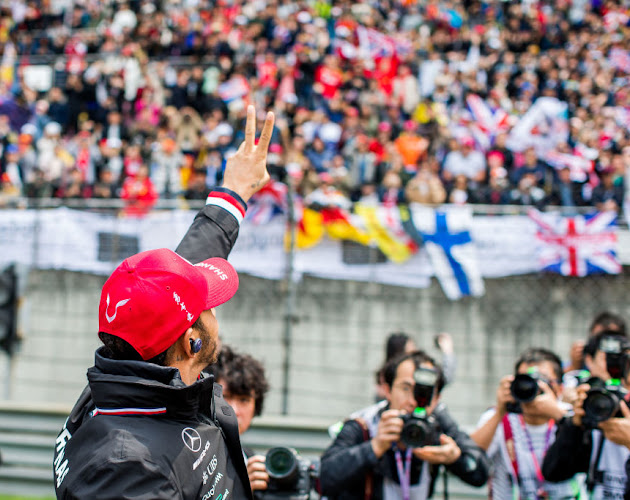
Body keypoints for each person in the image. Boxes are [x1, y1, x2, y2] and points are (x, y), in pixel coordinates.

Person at [54, 105, 275, 499]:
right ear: (189, 341)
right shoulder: (125, 467)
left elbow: (177, 275)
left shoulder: (127, 376)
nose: (213, 310)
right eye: (206, 305)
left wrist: (234, 193)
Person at [321, 351, 491, 500]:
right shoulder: (365, 424)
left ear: (437, 398)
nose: (413, 401)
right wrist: (374, 447)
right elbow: (322, 479)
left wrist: (456, 458)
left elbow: (480, 473)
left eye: (424, 392)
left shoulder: (438, 423)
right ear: (388, 390)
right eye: (406, 388)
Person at [470, 348, 579, 500]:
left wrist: (559, 415)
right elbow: (469, 457)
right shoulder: (498, 418)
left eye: (542, 381)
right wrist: (500, 411)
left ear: (560, 388)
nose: (532, 388)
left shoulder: (572, 417)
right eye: (526, 380)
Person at [543, 330, 630, 499]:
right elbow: (554, 472)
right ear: (590, 362)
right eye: (609, 359)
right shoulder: (595, 408)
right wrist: (574, 425)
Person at [209, 345, 271, 492]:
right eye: (226, 397)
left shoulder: (250, 459)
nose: (234, 410)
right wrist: (237, 488)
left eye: (244, 400)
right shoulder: (194, 454)